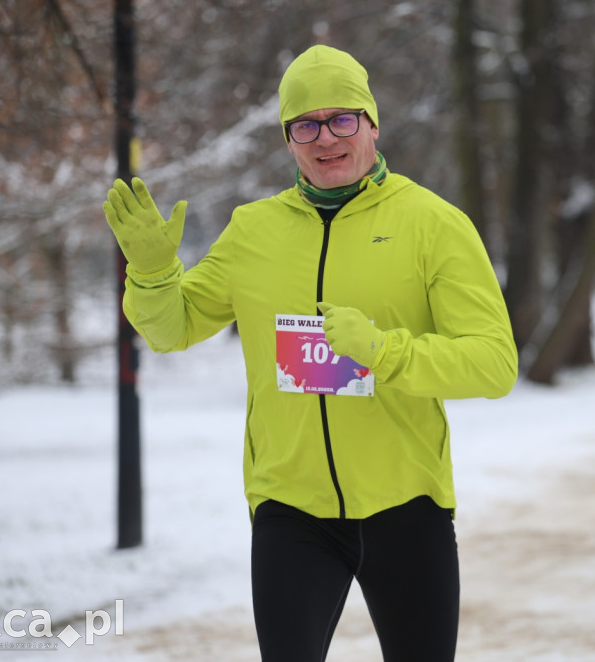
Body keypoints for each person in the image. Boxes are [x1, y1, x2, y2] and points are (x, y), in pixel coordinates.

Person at [101, 45, 518, 662]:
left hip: (405, 505)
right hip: (290, 509)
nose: (325, 138)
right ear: (288, 138)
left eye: (342, 119)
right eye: (305, 124)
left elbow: (493, 362)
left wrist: (383, 351)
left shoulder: (433, 224)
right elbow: (175, 328)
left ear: (372, 125)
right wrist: (154, 274)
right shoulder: (254, 230)